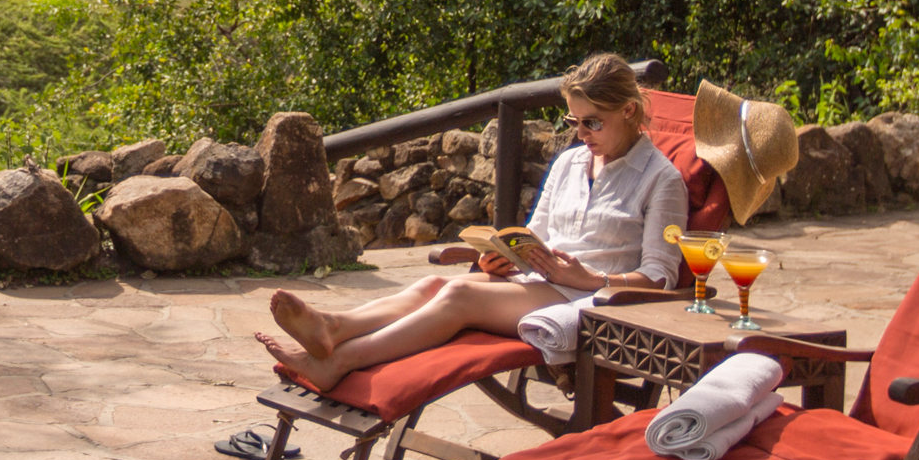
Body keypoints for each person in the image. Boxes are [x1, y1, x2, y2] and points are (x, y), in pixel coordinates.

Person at [259, 53, 687, 391]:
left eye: (593, 122)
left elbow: (661, 277)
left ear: (630, 110)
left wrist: (593, 279)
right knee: (434, 286)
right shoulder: (571, 162)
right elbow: (534, 236)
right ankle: (334, 327)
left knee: (459, 295)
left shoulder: (661, 180)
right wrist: (504, 259)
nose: (581, 134)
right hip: (543, 285)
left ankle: (338, 362)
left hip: (591, 306)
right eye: (573, 121)